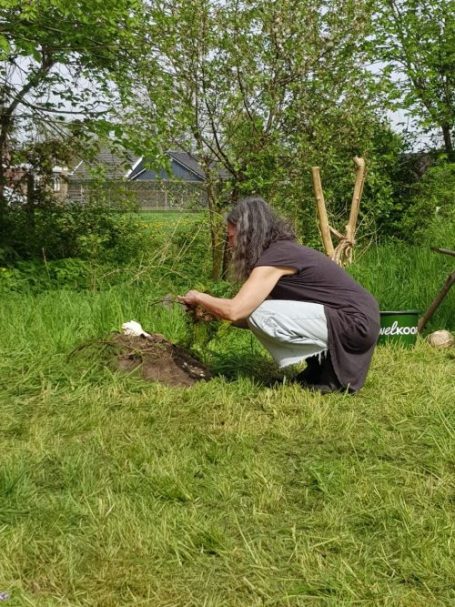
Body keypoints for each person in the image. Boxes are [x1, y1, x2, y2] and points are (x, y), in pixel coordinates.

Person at [180, 196, 380, 393]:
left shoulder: (276, 257)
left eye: (231, 238)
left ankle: (327, 372)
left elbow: (236, 310)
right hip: (358, 321)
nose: (230, 245)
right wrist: (211, 313)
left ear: (247, 235)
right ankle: (321, 370)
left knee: (261, 312)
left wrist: (199, 297)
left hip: (354, 323)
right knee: (259, 312)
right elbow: (247, 317)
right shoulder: (281, 251)